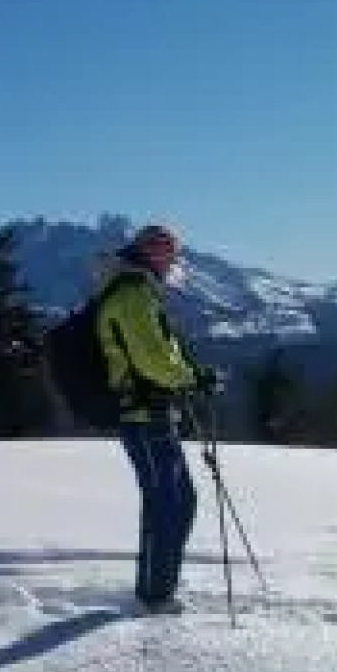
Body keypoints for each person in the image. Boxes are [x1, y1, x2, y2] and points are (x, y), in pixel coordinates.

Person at [92, 224, 220, 613]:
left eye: (171, 250)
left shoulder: (142, 292)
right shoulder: (132, 294)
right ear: (142, 251)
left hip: (155, 414)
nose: (167, 256)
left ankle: (160, 585)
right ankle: (153, 594)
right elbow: (152, 361)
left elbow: (163, 353)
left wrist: (189, 372)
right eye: (159, 248)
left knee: (179, 501)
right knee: (167, 503)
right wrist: (192, 378)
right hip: (142, 416)